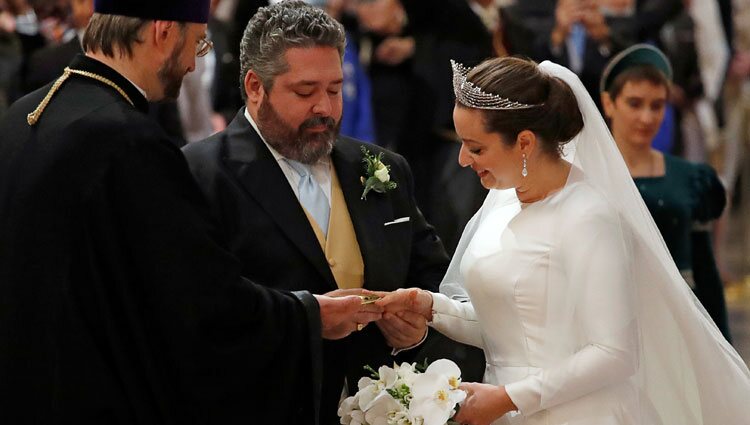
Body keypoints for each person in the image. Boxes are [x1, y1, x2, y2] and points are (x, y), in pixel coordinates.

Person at [0, 1, 383, 423]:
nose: (191, 65)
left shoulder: (25, 114)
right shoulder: (128, 141)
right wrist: (308, 315)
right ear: (164, 31)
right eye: (197, 45)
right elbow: (199, 302)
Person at [377, 56, 750, 424]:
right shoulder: (503, 201)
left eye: (476, 148)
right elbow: (509, 326)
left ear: (524, 142)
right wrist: (430, 307)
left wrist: (509, 397)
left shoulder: (588, 216)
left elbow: (614, 353)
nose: (462, 160)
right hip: (502, 408)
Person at [181, 2, 484, 424]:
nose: (325, 107)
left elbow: (435, 280)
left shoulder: (384, 168)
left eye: (335, 89)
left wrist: (417, 332)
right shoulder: (197, 176)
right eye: (305, 92)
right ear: (255, 87)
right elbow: (196, 315)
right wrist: (306, 319)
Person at [599, 43, 731, 341]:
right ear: (609, 104)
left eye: (657, 105)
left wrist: (723, 347)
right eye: (634, 103)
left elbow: (705, 268)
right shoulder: (589, 177)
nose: (647, 118)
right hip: (612, 326)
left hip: (678, 326)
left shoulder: (689, 178)